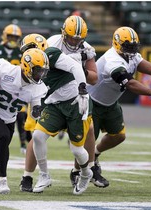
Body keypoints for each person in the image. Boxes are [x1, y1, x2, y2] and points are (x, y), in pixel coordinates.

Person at [20, 16, 108, 193]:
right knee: (37, 135)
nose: (74, 41)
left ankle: (85, 172)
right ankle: (42, 175)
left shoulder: (53, 51)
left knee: (77, 149)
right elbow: (34, 84)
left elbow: (83, 72)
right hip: (54, 102)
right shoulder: (44, 52)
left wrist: (83, 91)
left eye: (78, 38)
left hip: (75, 101)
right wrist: (36, 103)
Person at [0, 48, 49, 197]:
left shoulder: (38, 88)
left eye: (42, 71)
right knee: (3, 137)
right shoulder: (7, 70)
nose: (40, 74)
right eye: (38, 70)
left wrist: (36, 112)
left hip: (8, 119)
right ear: (27, 66)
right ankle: (2, 179)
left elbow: (34, 111)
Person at [87, 26, 151, 184]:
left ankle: (95, 154)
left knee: (119, 136)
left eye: (133, 46)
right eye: (128, 46)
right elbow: (130, 84)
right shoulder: (113, 61)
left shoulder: (132, 56)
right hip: (92, 102)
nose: (131, 50)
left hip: (110, 103)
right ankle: (81, 171)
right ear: (117, 44)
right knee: (87, 141)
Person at [0, 24, 31, 154]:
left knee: (21, 116)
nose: (13, 39)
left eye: (15, 37)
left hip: (17, 91)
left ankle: (23, 143)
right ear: (4, 36)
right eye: (10, 36)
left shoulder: (21, 53)